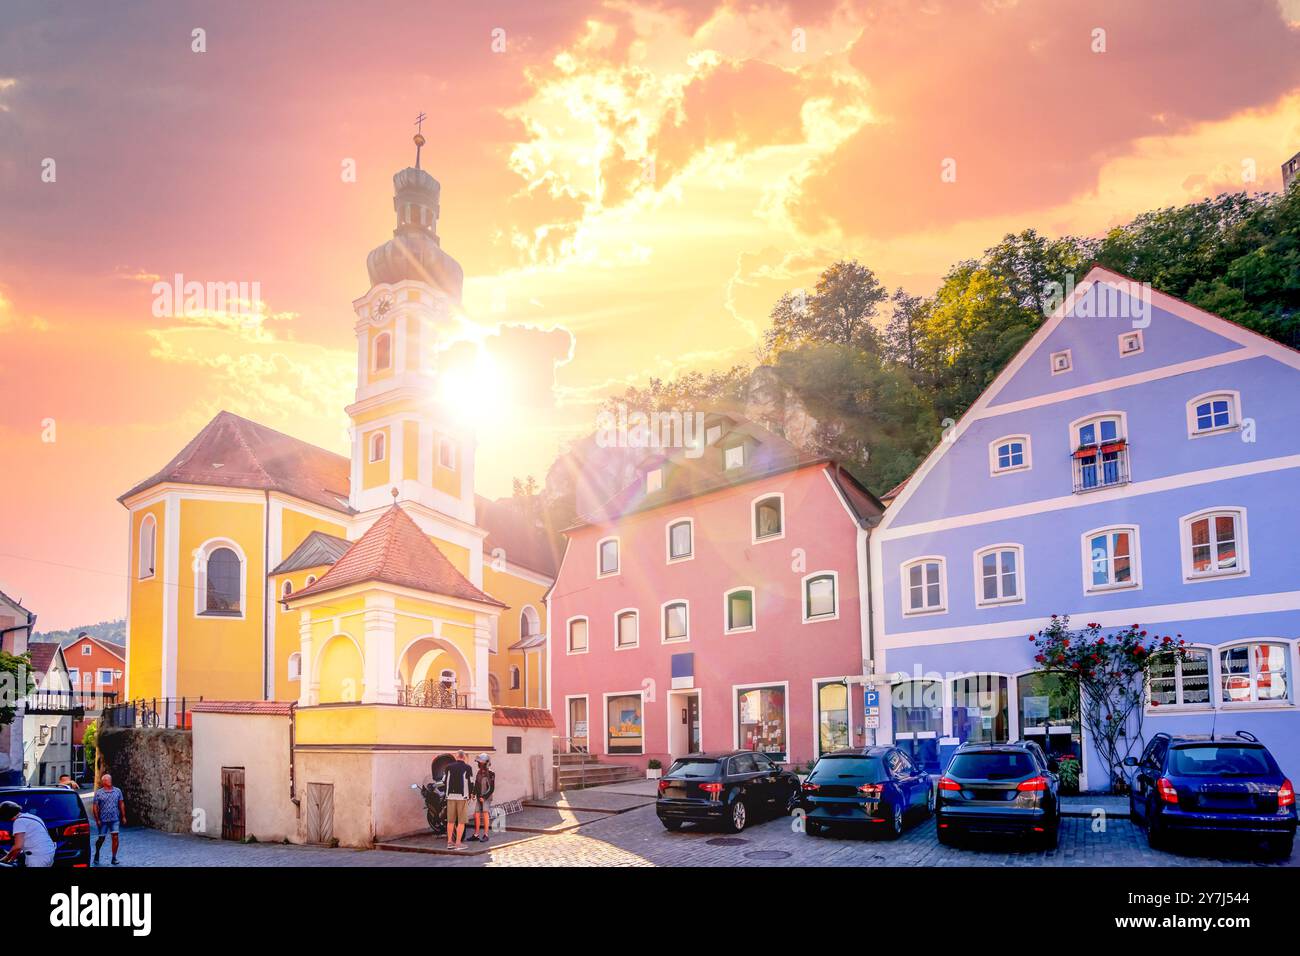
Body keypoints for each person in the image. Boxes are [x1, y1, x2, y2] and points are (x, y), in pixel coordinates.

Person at [0, 801, 56, 867]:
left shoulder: (19, 821)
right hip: (48, 853)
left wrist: (5, 859)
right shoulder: (31, 816)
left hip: (37, 858)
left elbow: (18, 847)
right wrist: (12, 858)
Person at [91, 773, 126, 865]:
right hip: (103, 820)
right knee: (101, 839)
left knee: (115, 837)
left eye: (110, 779)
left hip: (115, 819)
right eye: (107, 780)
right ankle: (97, 853)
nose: (109, 781)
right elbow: (95, 807)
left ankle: (114, 857)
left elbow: (121, 803)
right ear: (103, 782)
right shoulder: (99, 793)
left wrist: (123, 816)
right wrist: (97, 819)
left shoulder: (117, 791)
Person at [442, 751, 474, 850]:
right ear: (464, 757)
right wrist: (471, 794)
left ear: (456, 757)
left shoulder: (448, 767)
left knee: (450, 821)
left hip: (450, 796)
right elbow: (471, 783)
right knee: (461, 821)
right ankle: (458, 844)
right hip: (462, 797)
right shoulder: (468, 768)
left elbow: (443, 780)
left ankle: (449, 842)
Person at [471, 753, 496, 843]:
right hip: (479, 797)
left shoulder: (491, 774)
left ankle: (486, 835)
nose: (480, 764)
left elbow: (491, 788)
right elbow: (476, 784)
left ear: (486, 763)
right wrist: (473, 793)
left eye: (481, 763)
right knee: (476, 814)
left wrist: (484, 797)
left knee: (485, 814)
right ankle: (476, 834)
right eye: (479, 763)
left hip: (487, 797)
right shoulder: (479, 773)